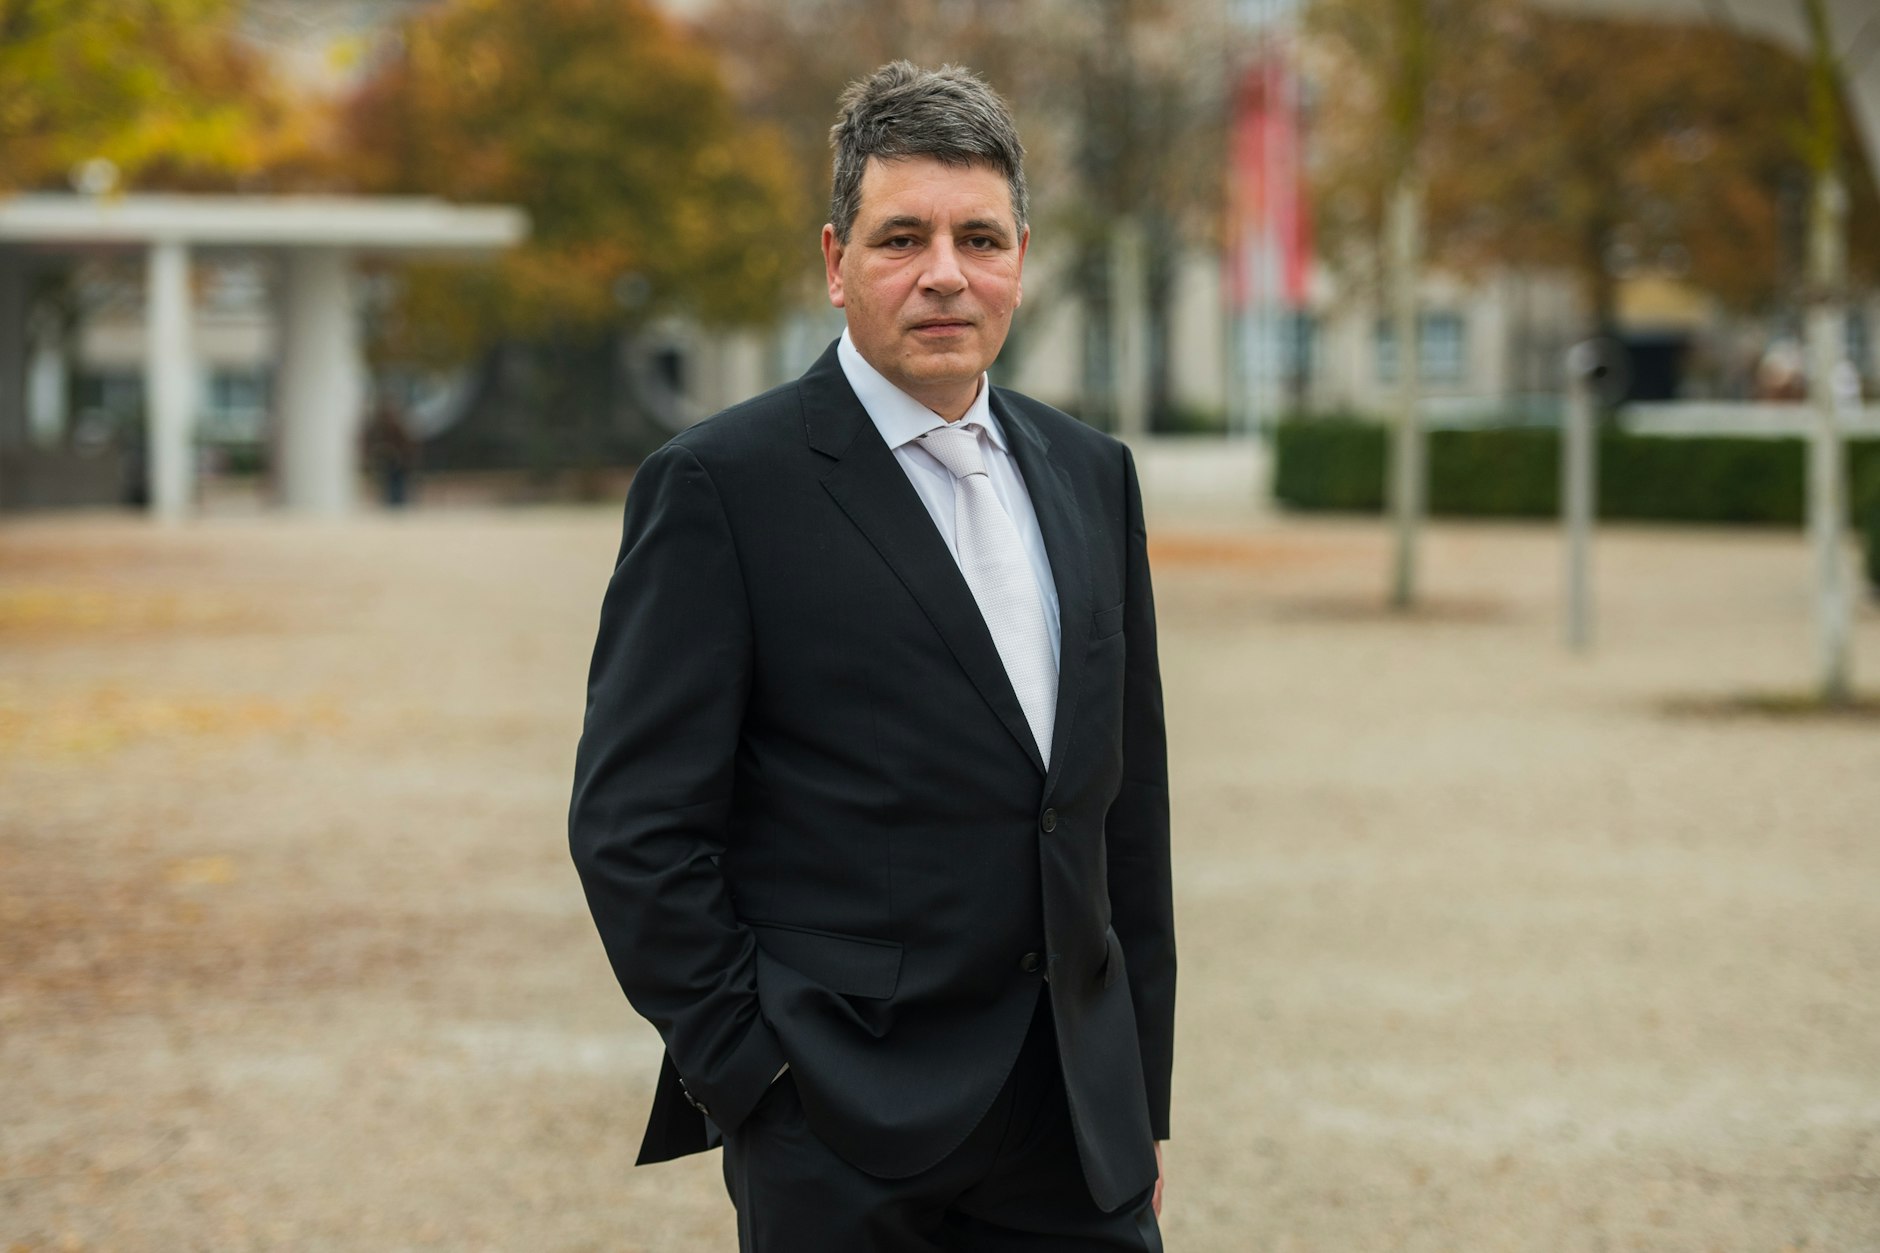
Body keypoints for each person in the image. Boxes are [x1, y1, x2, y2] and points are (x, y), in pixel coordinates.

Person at [569, 61, 1173, 1252]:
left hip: (1071, 1123)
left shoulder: (1091, 473)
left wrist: (1136, 1099)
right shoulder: (719, 485)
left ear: (1019, 259)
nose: (944, 272)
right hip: (838, 1123)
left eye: (977, 238)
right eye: (903, 237)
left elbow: (1122, 812)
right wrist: (755, 1076)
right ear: (835, 262)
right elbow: (633, 825)